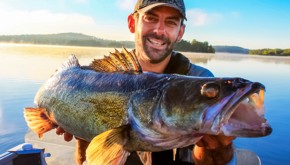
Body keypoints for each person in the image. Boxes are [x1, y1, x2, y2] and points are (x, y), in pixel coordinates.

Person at [57, 0, 236, 164]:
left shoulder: (199, 81)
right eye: (150, 18)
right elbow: (89, 160)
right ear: (132, 23)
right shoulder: (98, 77)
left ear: (180, 32)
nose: (159, 31)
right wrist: (79, 131)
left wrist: (220, 147)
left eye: (171, 22)